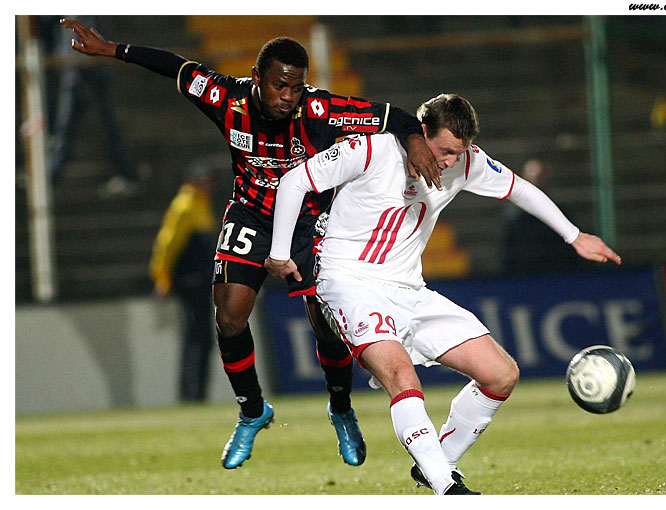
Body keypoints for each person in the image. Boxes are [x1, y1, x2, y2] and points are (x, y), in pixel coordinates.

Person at [60, 18, 442, 470]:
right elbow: (175, 66)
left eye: (296, 88)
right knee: (228, 315)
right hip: (251, 216)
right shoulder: (226, 98)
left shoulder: (320, 110)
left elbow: (392, 116)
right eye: (280, 86)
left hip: (310, 222)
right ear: (257, 77)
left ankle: (341, 408)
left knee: (326, 323)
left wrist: (414, 139)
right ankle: (252, 410)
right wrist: (112, 50)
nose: (288, 97)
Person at [265, 94, 621, 494]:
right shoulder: (373, 148)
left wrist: (574, 236)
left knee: (501, 374)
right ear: (421, 133)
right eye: (445, 150)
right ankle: (447, 489)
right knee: (402, 374)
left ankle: (439, 463)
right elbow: (294, 182)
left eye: (459, 153)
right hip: (348, 283)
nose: (451, 162)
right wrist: (279, 254)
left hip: (409, 289)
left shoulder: (465, 163)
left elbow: (519, 189)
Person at [39, 15, 141, 194]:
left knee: (71, 127)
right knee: (84, 127)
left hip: (82, 70)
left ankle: (50, 178)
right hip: (83, 69)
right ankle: (50, 177)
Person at [150, 163, 216, 403]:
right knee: (196, 336)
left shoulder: (200, 205)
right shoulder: (185, 205)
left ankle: (197, 393)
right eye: (205, 182)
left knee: (201, 336)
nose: (209, 186)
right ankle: (192, 393)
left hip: (200, 280)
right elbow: (167, 243)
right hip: (190, 279)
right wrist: (162, 277)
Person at [500, 159, 583, 275]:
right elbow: (508, 256)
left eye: (540, 180)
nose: (536, 186)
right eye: (532, 180)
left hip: (559, 276)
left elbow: (571, 253)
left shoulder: (561, 215)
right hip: (525, 277)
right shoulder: (515, 221)